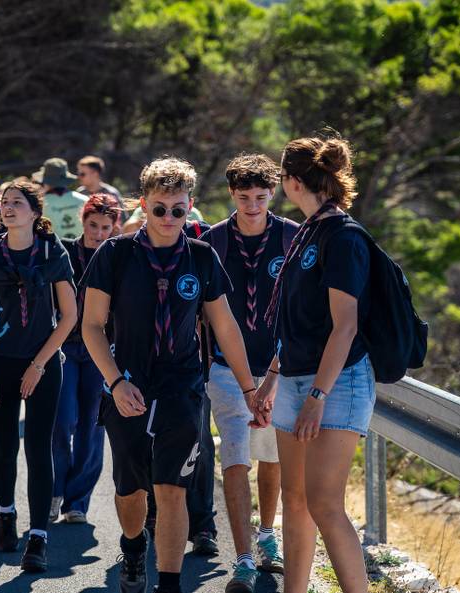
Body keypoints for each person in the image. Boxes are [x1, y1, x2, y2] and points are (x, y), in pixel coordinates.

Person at [81, 157, 257, 593]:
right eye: (159, 208)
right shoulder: (116, 255)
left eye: (178, 209)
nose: (168, 218)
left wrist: (250, 387)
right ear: (143, 205)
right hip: (128, 383)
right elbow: (91, 326)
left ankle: (171, 584)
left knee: (172, 487)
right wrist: (116, 382)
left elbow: (225, 326)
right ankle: (134, 546)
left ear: (190, 207)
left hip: (181, 386)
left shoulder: (200, 256)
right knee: (132, 491)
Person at [257, 137, 374, 593]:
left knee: (325, 504)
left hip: (337, 383)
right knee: (297, 499)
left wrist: (316, 398)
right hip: (293, 378)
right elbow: (298, 325)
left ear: (290, 181)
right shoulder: (306, 230)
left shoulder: (343, 236)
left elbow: (344, 327)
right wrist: (271, 379)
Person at [0, 181, 77, 572]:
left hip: (43, 362)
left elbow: (70, 316)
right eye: (5, 203)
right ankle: (6, 515)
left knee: (37, 447)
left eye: (18, 203)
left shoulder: (53, 251)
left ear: (35, 211)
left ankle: (38, 538)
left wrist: (38, 365)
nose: (9, 208)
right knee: (3, 446)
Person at [202, 154, 296, 592]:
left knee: (271, 455)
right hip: (225, 368)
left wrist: (273, 378)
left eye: (261, 197)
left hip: (279, 367)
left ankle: (267, 537)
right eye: (244, 198)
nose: (253, 206)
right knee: (235, 456)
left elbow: (299, 314)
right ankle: (241, 559)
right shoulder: (213, 241)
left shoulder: (293, 238)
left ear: (273, 193)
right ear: (231, 195)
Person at [51, 193, 120, 525]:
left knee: (93, 424)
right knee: (62, 420)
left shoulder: (117, 255)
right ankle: (54, 490)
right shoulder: (65, 250)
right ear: (83, 221)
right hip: (64, 346)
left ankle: (77, 500)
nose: (99, 233)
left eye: (106, 227)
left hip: (99, 349)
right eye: (93, 225)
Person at [33, 158, 87, 240]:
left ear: (45, 180)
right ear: (65, 179)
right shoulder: (85, 200)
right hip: (83, 250)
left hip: (53, 251)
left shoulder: (39, 204)